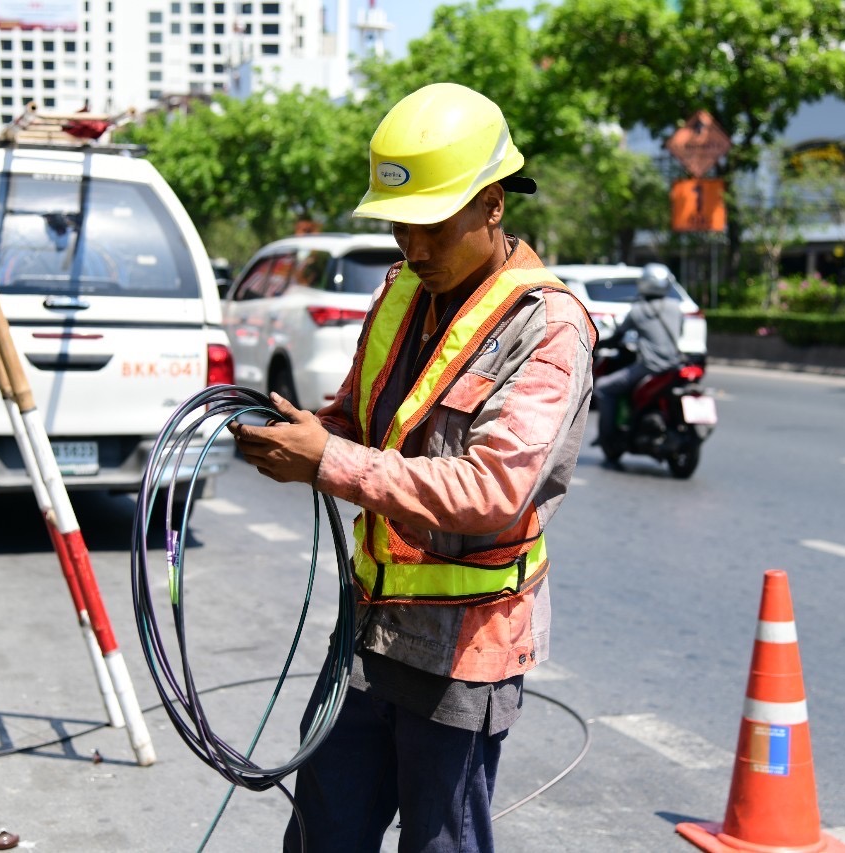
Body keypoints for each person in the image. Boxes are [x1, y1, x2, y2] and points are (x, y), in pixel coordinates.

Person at [228, 82, 596, 853]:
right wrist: (297, 435)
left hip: (463, 652)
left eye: (432, 224)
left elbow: (493, 489)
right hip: (369, 627)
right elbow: (362, 423)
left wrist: (327, 459)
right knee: (322, 834)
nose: (413, 246)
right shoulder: (400, 291)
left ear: (493, 204)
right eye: (400, 224)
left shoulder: (549, 327)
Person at [593, 263, 684, 453]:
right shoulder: (676, 307)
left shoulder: (637, 311)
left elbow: (618, 335)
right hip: (675, 366)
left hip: (650, 367)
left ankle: (607, 439)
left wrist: (601, 343)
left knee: (603, 388)